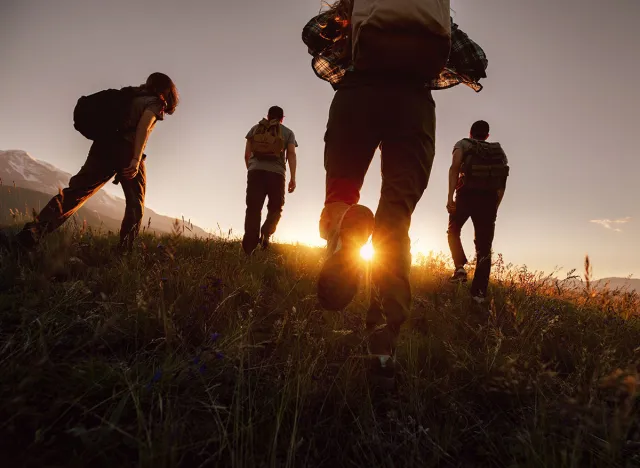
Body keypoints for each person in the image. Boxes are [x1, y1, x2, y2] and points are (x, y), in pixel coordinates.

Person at [302, 0, 488, 387]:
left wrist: (347, 24)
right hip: (413, 106)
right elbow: (477, 59)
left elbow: (311, 33)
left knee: (341, 190)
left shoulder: (358, 4)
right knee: (395, 219)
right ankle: (383, 345)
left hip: (357, 97)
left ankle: (341, 234)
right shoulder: (431, 10)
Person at [13, 72, 179, 252]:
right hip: (127, 151)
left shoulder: (131, 95)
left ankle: (31, 234)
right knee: (135, 204)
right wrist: (136, 159)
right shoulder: (155, 103)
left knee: (76, 192)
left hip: (103, 146)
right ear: (167, 90)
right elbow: (144, 128)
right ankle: (123, 252)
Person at [447, 120, 509, 303]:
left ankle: (459, 268)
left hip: (466, 195)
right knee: (484, 248)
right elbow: (502, 181)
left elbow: (454, 167)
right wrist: (495, 207)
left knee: (453, 230)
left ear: (470, 132)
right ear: (487, 136)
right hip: (489, 200)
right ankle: (479, 295)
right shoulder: (498, 151)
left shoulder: (463, 144)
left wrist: (450, 197)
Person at [242, 106, 298, 255]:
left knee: (253, 209)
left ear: (267, 116)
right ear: (282, 118)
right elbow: (291, 154)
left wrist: (252, 169)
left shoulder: (255, 129)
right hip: (277, 174)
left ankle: (249, 249)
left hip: (255, 172)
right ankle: (266, 233)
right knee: (275, 207)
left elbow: (247, 155)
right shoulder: (288, 132)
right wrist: (293, 177)